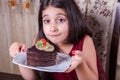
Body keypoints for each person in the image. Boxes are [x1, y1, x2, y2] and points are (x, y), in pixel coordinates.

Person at [9, 0, 99, 80]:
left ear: (73, 20)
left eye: (60, 20)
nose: (52, 28)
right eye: (47, 21)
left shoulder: (85, 41)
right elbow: (32, 77)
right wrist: (20, 57)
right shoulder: (41, 40)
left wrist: (81, 65)